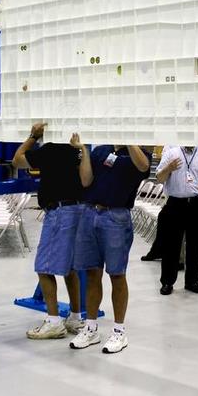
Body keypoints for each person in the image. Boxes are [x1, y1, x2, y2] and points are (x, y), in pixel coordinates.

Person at [70, 143, 151, 354]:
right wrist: (84, 151)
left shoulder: (138, 154)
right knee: (92, 273)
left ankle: (119, 331)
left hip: (116, 216)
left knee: (117, 274)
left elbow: (143, 167)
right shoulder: (101, 150)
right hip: (90, 213)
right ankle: (91, 327)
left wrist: (130, 141)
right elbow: (86, 180)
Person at [12, 122, 86, 338]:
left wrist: (33, 136)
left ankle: (54, 322)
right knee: (70, 268)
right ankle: (75, 317)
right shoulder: (77, 149)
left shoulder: (50, 149)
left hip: (60, 212)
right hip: (78, 210)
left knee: (43, 267)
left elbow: (17, 160)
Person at [154, 145, 198, 295]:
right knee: (171, 245)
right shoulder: (171, 153)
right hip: (175, 203)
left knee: (195, 244)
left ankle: (192, 281)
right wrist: (168, 168)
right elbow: (159, 178)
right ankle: (167, 282)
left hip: (196, 203)